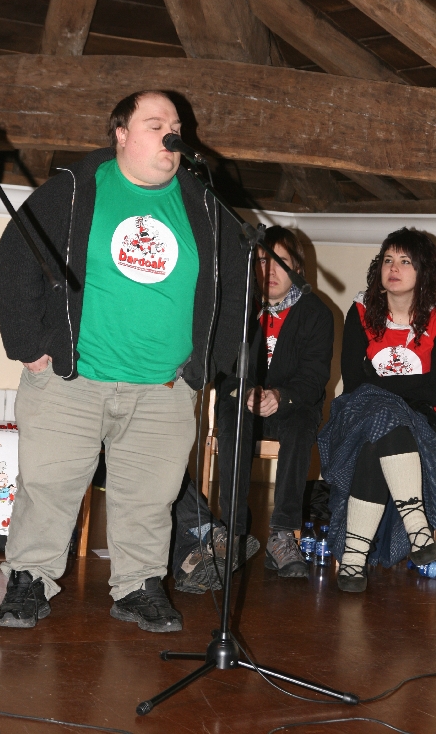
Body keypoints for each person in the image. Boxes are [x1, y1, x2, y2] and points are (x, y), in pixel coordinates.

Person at [0, 90, 246, 631]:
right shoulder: (72, 191)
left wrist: (205, 365)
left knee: (150, 498)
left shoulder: (204, 205)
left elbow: (237, 287)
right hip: (71, 381)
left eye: (176, 126)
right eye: (156, 124)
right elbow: (14, 261)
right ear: (121, 134)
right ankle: (30, 578)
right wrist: (29, 347)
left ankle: (138, 586)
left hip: (164, 390)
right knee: (48, 488)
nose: (171, 135)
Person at [172, 226, 334, 592]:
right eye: (261, 261)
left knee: (301, 423)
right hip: (243, 401)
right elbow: (221, 367)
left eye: (280, 262)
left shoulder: (317, 313)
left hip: (292, 405)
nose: (269, 271)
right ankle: (233, 531)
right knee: (232, 414)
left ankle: (282, 534)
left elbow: (314, 378)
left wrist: (280, 395)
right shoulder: (239, 309)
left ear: (297, 268)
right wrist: (244, 391)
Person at [318, 228, 436, 593]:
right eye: (388, 260)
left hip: (421, 423)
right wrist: (406, 389)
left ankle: (354, 559)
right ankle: (418, 530)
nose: (394, 267)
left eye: (405, 261)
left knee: (379, 433)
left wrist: (381, 386)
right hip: (357, 414)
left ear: (423, 271)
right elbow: (355, 383)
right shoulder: (360, 312)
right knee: (380, 413)